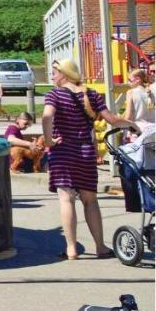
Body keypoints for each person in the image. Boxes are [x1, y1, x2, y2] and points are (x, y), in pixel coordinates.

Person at [42, 58, 139, 260]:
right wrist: (132, 125)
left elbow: (46, 117)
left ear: (65, 74)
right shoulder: (92, 94)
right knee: (90, 201)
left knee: (66, 199)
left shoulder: (55, 95)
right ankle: (100, 247)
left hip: (63, 152)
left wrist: (49, 141)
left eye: (54, 72)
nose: (52, 76)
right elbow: (112, 119)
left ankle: (71, 249)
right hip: (85, 152)